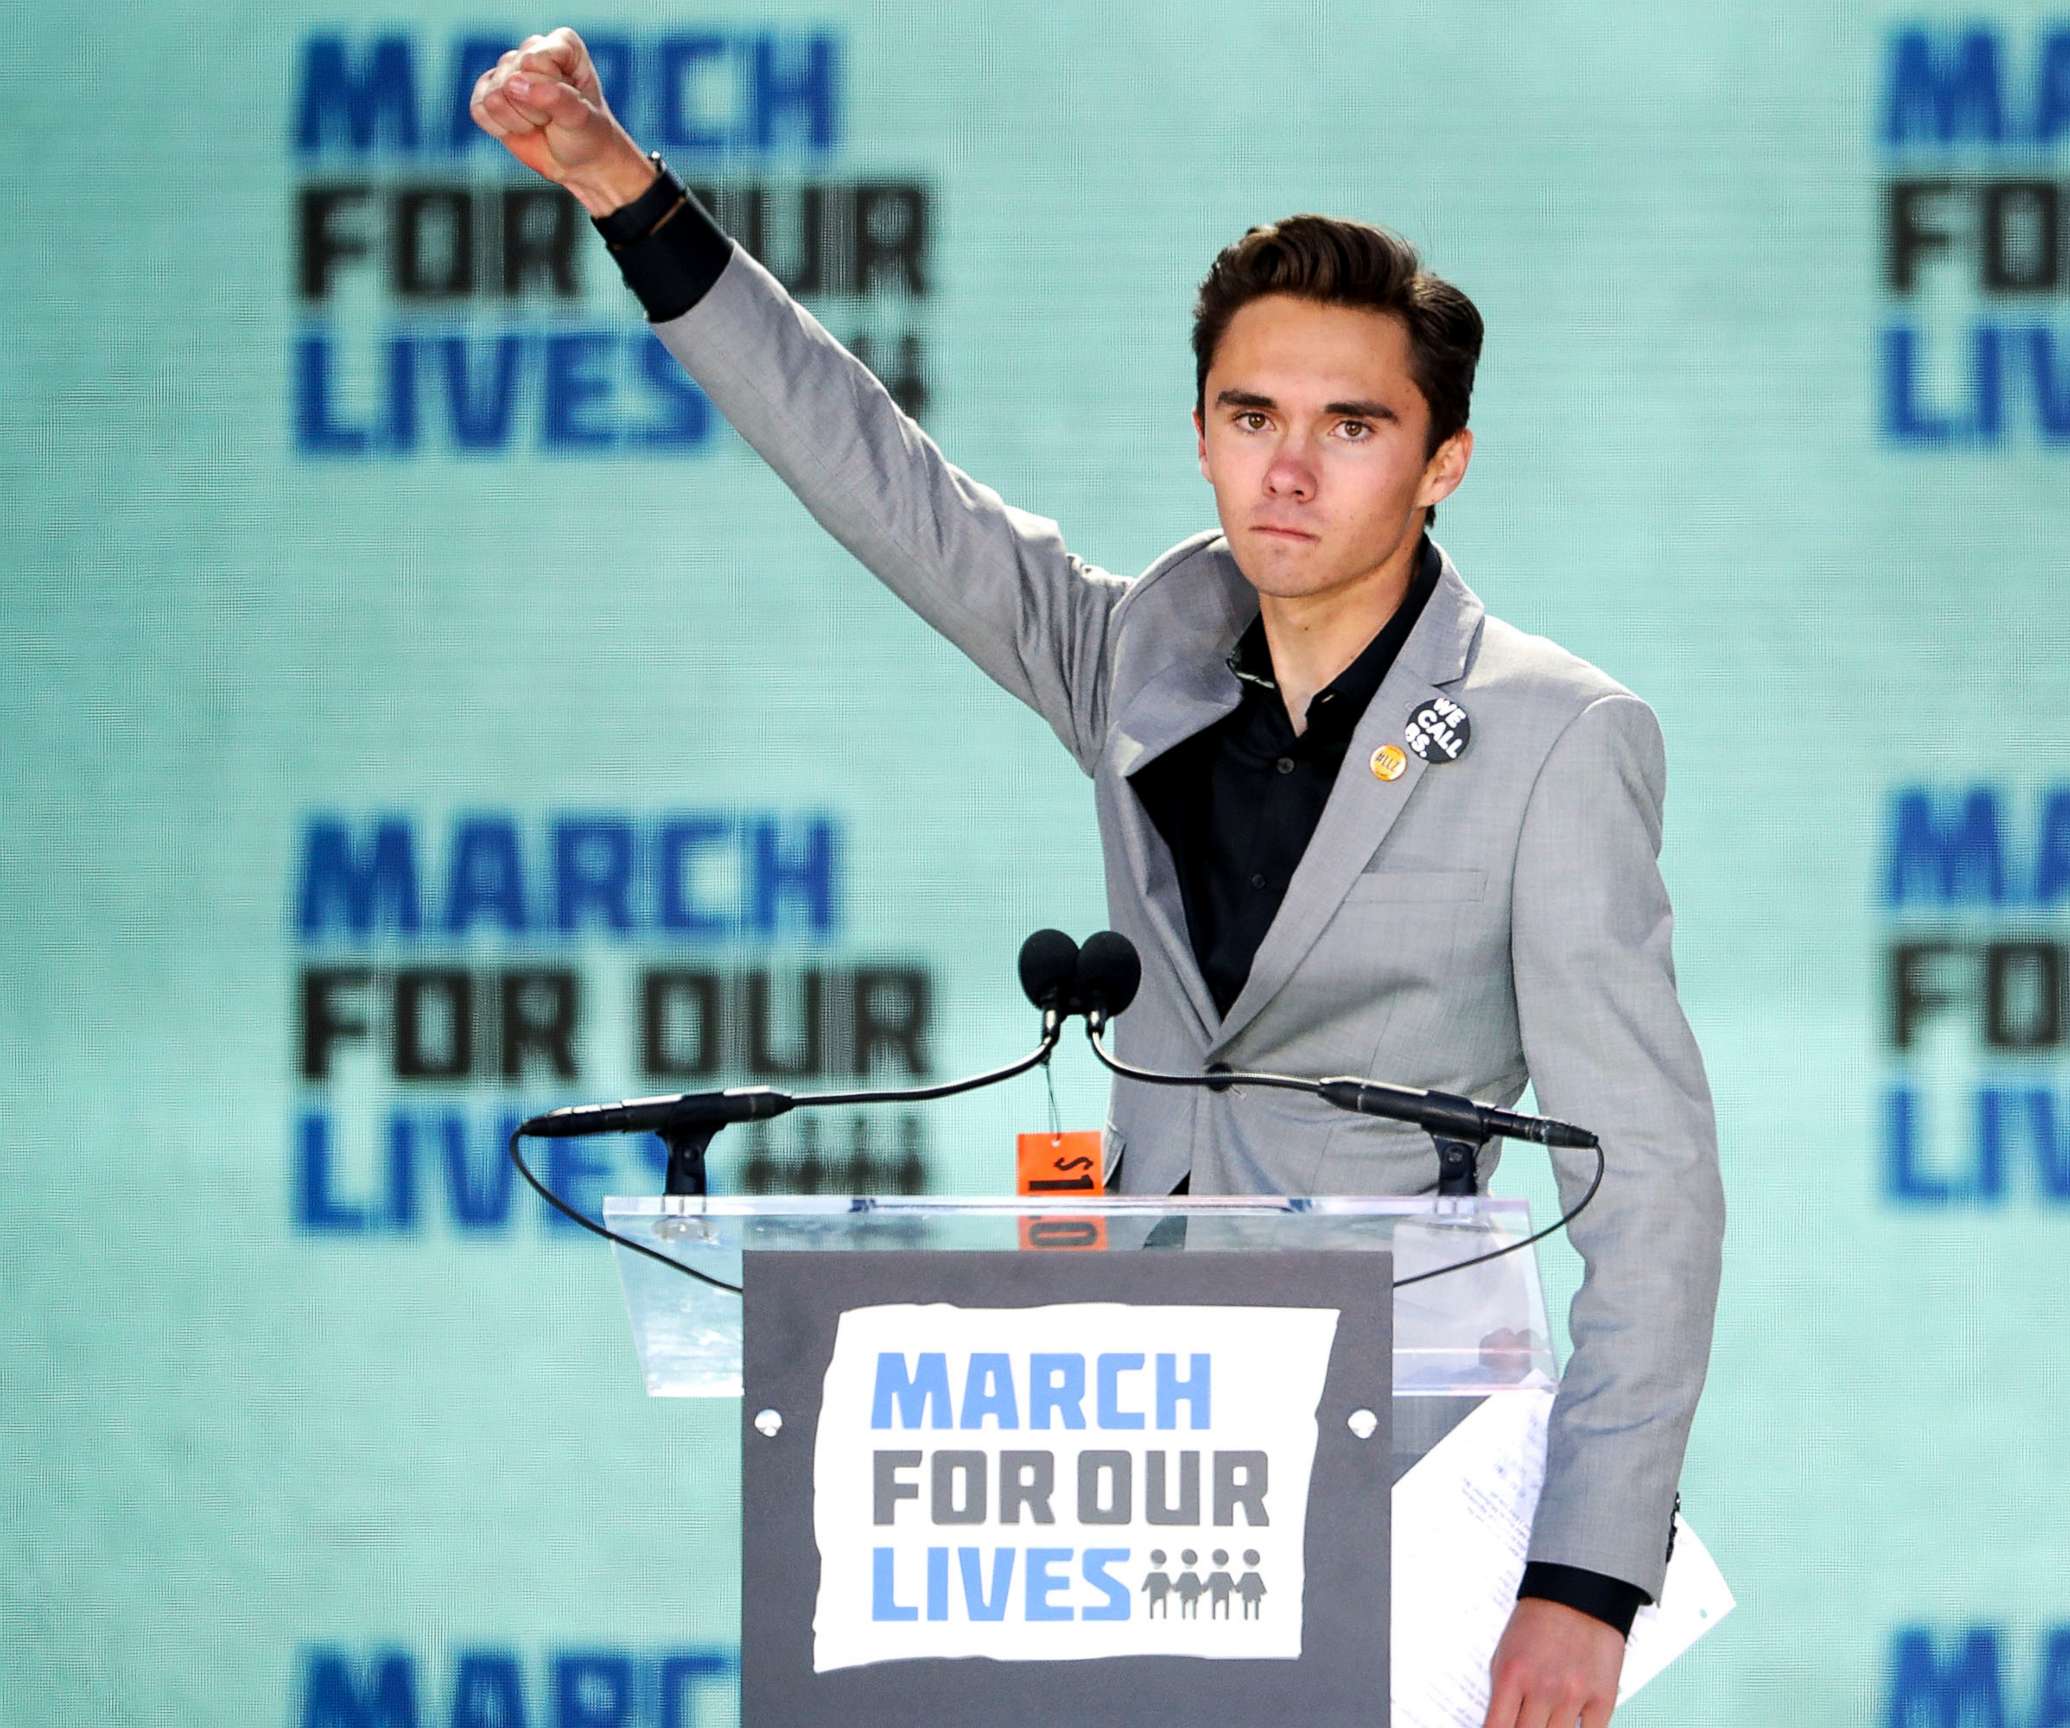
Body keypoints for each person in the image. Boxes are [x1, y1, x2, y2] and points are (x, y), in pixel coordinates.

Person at [472, 30, 1724, 1728]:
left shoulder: (1559, 735)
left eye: (1353, 426)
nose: (1290, 466)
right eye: (1251, 415)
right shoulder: (1136, 653)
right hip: (1131, 1462)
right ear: (1202, 434)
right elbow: (875, 475)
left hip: (1419, 1476)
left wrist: (1587, 1578)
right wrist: (630, 197)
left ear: (1443, 466)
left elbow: (1651, 1185)